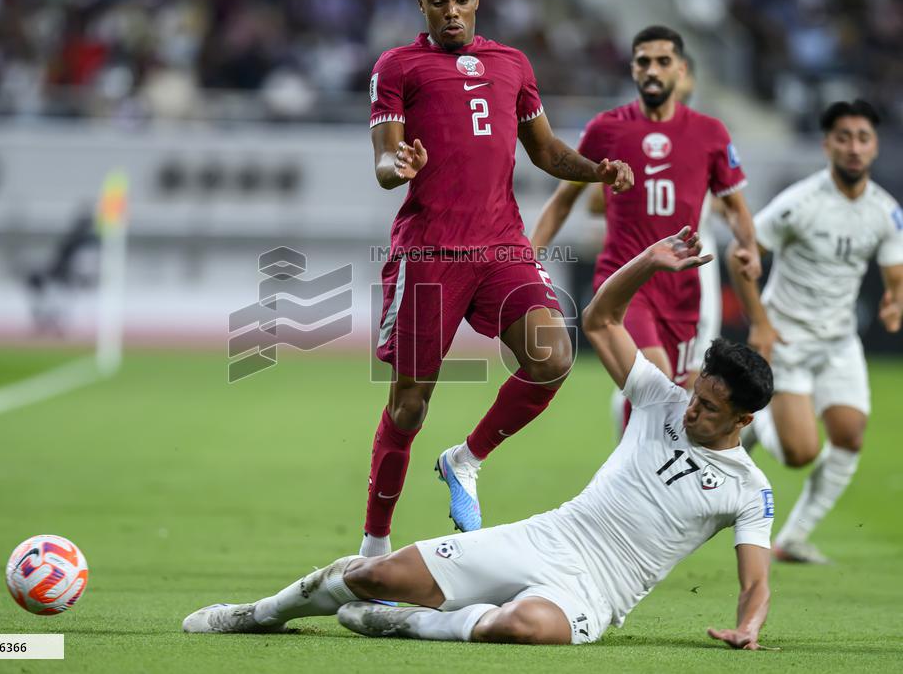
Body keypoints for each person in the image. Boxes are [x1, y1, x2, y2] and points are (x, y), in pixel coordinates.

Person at [182, 228, 776, 649]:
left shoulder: (749, 491)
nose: (692, 409)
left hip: (598, 592)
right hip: (546, 539)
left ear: (742, 421)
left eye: (709, 408)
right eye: (696, 394)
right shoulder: (660, 400)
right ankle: (259, 614)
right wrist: (647, 262)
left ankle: (404, 625)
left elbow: (755, 583)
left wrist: (748, 626)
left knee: (520, 628)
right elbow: (599, 321)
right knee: (374, 577)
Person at [360, 0, 633, 554]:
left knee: (552, 357)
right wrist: (397, 164)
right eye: (438, 1)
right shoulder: (398, 67)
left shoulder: (511, 63)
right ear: (422, 6)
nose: (450, 10)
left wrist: (597, 170)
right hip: (429, 253)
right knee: (408, 408)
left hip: (502, 246)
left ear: (477, 0)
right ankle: (374, 547)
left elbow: (546, 150)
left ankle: (466, 459)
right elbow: (385, 159)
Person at [531, 26, 759, 407]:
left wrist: (748, 246)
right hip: (625, 281)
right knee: (658, 384)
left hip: (684, 291)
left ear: (681, 70)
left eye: (663, 62)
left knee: (672, 398)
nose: (652, 70)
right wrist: (530, 254)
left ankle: (636, 453)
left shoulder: (711, 133)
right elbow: (564, 200)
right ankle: (625, 465)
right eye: (643, 62)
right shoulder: (606, 128)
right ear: (633, 69)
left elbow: (735, 207)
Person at [729, 100, 903, 564]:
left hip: (840, 341)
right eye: (843, 137)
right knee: (799, 454)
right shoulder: (799, 202)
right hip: (787, 338)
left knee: (850, 435)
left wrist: (894, 301)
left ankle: (793, 538)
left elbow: (894, 270)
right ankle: (758, 422)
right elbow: (742, 255)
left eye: (862, 138)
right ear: (827, 144)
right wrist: (760, 324)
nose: (853, 147)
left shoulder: (885, 211)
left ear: (874, 146)